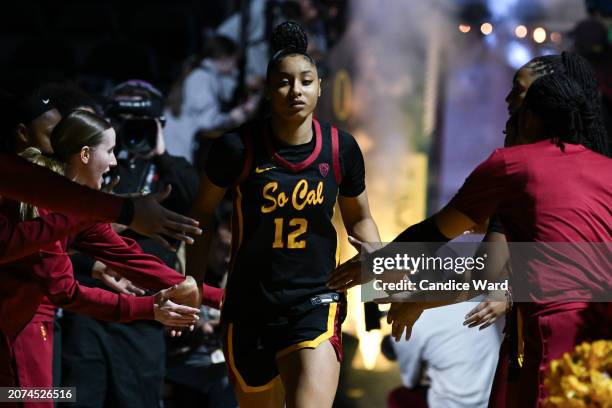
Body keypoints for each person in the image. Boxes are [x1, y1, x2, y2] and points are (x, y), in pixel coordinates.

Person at [331, 73, 611, 407]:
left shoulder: (512, 165)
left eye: (518, 103)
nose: (509, 111)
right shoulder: (605, 169)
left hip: (553, 337)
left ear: (531, 117)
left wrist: (379, 266)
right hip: (602, 343)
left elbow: (437, 237)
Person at [187, 21, 381, 408]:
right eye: (284, 82)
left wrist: (375, 259)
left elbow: (359, 216)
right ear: (268, 88)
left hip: (315, 299)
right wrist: (192, 279)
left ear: (320, 86)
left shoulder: (341, 149)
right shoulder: (235, 148)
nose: (296, 91)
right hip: (248, 304)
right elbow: (202, 215)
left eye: (306, 81)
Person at [0, 111, 207, 407]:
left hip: (36, 329)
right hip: (28, 333)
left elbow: (133, 259)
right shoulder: (45, 206)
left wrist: (217, 296)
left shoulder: (79, 211)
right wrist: (149, 307)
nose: (114, 161)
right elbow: (66, 291)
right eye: (109, 151)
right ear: (84, 154)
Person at [60, 80, 201, 408]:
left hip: (147, 310)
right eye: (121, 121)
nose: (130, 130)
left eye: (141, 122)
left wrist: (160, 151)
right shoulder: (100, 165)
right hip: (90, 304)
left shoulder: (171, 171)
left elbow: (195, 200)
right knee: (80, 398)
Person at [164, 35, 259, 164]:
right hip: (178, 149)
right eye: (234, 62)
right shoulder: (203, 78)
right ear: (223, 58)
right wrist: (232, 118)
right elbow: (207, 121)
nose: (235, 68)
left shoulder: (204, 74)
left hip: (176, 147)